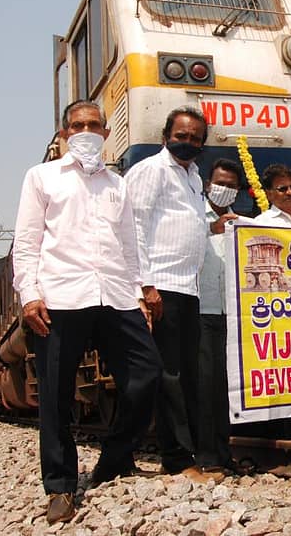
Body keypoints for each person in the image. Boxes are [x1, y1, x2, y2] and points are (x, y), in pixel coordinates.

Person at [13, 100, 161, 525]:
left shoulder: (118, 184)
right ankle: (60, 486)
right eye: (78, 125)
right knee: (56, 395)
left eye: (94, 125)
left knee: (146, 373)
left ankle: (112, 460)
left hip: (114, 294)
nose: (86, 131)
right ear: (63, 134)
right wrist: (29, 295)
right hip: (61, 296)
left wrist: (140, 291)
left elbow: (131, 244)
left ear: (106, 131)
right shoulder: (41, 177)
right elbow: (26, 242)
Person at [124, 107, 210, 482]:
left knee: (186, 374)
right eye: (182, 135)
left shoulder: (193, 176)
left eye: (195, 138)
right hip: (162, 287)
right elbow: (134, 229)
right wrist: (146, 285)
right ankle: (175, 460)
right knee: (170, 376)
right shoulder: (151, 171)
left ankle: (187, 453)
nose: (187, 142)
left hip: (187, 288)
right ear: (165, 136)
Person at [197, 158, 245, 475]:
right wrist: (209, 229)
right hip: (201, 309)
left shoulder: (240, 222)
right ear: (207, 184)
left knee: (226, 387)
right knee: (204, 385)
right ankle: (205, 456)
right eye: (219, 183)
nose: (224, 190)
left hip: (232, 313)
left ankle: (223, 451)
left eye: (230, 185)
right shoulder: (194, 216)